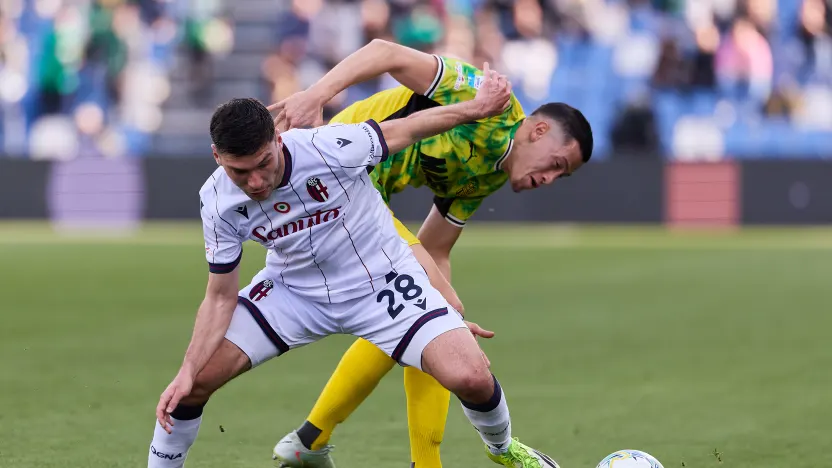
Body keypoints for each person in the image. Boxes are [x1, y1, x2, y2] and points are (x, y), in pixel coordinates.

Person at [148, 65, 558, 468]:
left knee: (470, 376)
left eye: (263, 163)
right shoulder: (217, 201)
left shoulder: (327, 147)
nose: (255, 182)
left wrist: (477, 108)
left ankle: (504, 450)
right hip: (293, 291)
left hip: (381, 280)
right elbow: (220, 297)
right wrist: (186, 369)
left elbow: (410, 128)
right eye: (240, 171)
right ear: (217, 156)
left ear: (278, 138)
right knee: (189, 389)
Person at [268, 39, 593, 468]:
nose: (550, 178)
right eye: (556, 163)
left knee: (429, 314)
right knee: (430, 316)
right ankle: (405, 460)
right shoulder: (483, 98)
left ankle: (310, 442)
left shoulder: (490, 175)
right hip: (329, 178)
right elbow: (386, 52)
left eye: (561, 176)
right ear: (538, 131)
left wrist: (443, 302)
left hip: (354, 204)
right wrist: (315, 95)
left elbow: (436, 247)